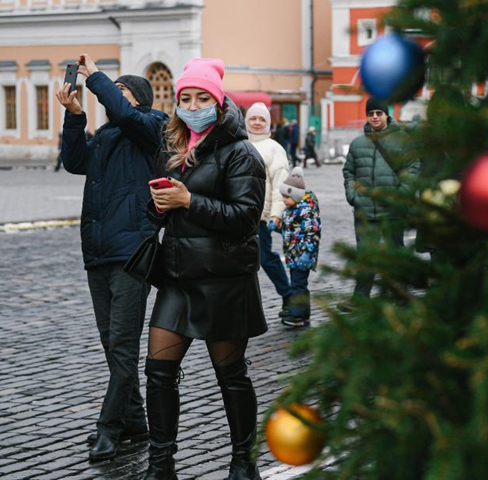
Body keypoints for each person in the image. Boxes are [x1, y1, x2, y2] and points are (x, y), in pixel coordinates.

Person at [143, 58, 267, 480]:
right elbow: (166, 212)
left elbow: (246, 218)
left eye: (201, 98)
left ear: (217, 103)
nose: (192, 105)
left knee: (230, 376)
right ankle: (161, 467)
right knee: (158, 371)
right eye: (184, 98)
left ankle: (243, 462)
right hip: (177, 279)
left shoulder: (241, 153)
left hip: (224, 280)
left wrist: (189, 201)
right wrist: (159, 203)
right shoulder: (174, 148)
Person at [55, 53, 168, 462]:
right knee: (111, 343)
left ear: (138, 99)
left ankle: (108, 427)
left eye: (121, 91)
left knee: (122, 343)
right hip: (99, 253)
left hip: (132, 252)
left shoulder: (151, 127)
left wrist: (96, 78)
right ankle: (135, 419)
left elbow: (124, 113)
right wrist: (74, 116)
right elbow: (74, 162)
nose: (112, 96)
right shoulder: (106, 136)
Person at [339, 97, 420, 311]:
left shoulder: (401, 140)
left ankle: (401, 296)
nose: (374, 117)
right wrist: (352, 195)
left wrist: (401, 195)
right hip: (365, 210)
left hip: (392, 210)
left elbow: (412, 169)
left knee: (395, 253)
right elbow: (349, 172)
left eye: (378, 113)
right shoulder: (358, 143)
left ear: (386, 115)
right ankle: (360, 299)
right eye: (371, 113)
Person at [244, 102, 293, 317]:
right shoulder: (240, 143)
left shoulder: (274, 148)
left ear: (268, 123)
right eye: (253, 118)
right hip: (236, 213)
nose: (256, 123)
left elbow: (280, 185)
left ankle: (288, 295)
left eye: (261, 119)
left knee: (265, 258)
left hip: (260, 216)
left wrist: (276, 214)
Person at [278, 167, 321, 327]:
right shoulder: (291, 208)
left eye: (286, 197)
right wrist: (276, 226)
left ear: (295, 195)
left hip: (303, 254)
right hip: (293, 253)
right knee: (298, 283)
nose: (283, 200)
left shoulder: (306, 210)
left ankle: (297, 315)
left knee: (298, 284)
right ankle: (303, 312)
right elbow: (290, 229)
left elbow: (312, 232)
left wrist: (307, 253)